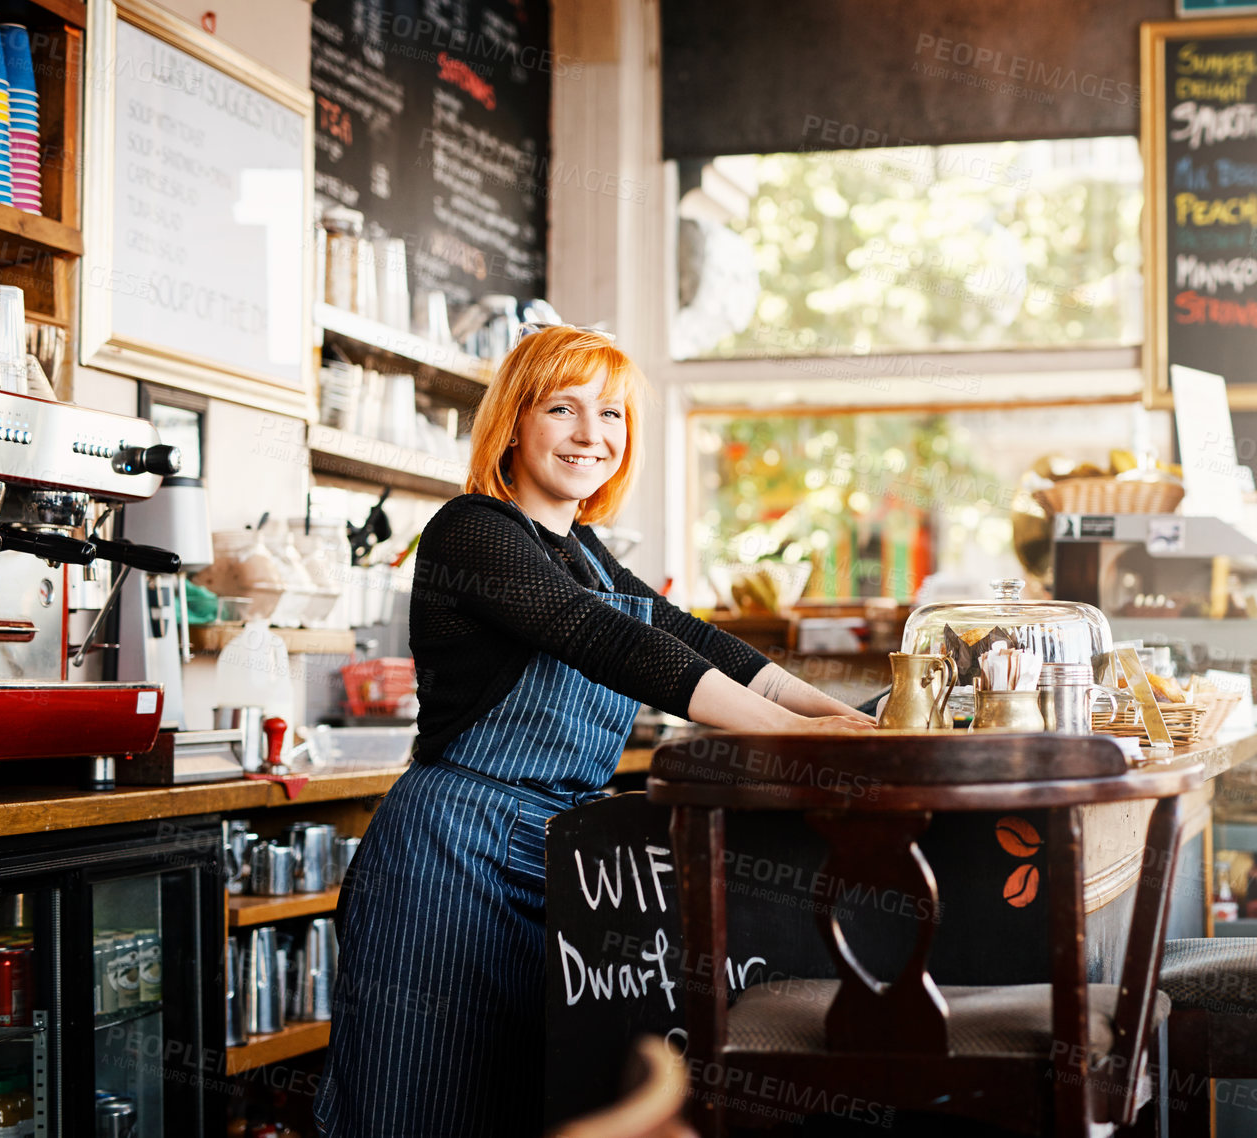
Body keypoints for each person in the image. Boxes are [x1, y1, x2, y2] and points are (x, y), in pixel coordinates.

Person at [315, 325, 872, 1136]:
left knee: (524, 1099)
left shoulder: (585, 552)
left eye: (610, 415)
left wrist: (833, 713)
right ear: (513, 421)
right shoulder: (473, 530)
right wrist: (791, 735)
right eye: (564, 409)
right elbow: (607, 640)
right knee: (419, 1100)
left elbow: (690, 637)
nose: (591, 435)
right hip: (450, 853)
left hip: (550, 850)